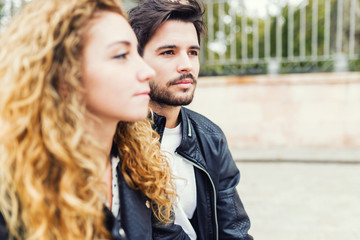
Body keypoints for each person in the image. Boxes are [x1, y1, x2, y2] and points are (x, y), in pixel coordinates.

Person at [0, 0, 189, 239]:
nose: (146, 71)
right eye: (121, 55)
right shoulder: (13, 192)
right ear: (63, 76)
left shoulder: (138, 163)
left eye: (136, 53)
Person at [129, 0, 253, 239]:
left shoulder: (210, 137)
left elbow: (234, 228)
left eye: (192, 52)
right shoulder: (118, 137)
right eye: (168, 52)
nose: (186, 65)